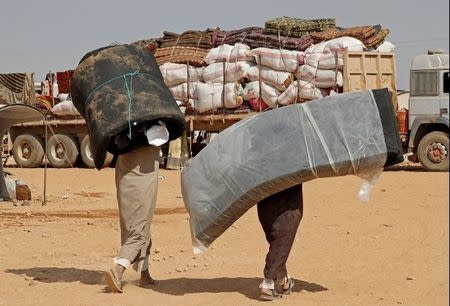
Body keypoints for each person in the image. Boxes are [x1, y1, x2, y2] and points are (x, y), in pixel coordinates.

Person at [104, 123, 169, 293]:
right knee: (139, 227)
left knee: (136, 224)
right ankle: (118, 269)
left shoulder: (124, 129)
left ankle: (144, 274)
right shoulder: (151, 126)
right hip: (144, 169)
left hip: (126, 167)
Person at [257, 184, 303, 301]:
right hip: (287, 192)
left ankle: (283, 278)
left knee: (277, 239)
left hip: (264, 192)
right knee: (285, 233)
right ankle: (268, 283)